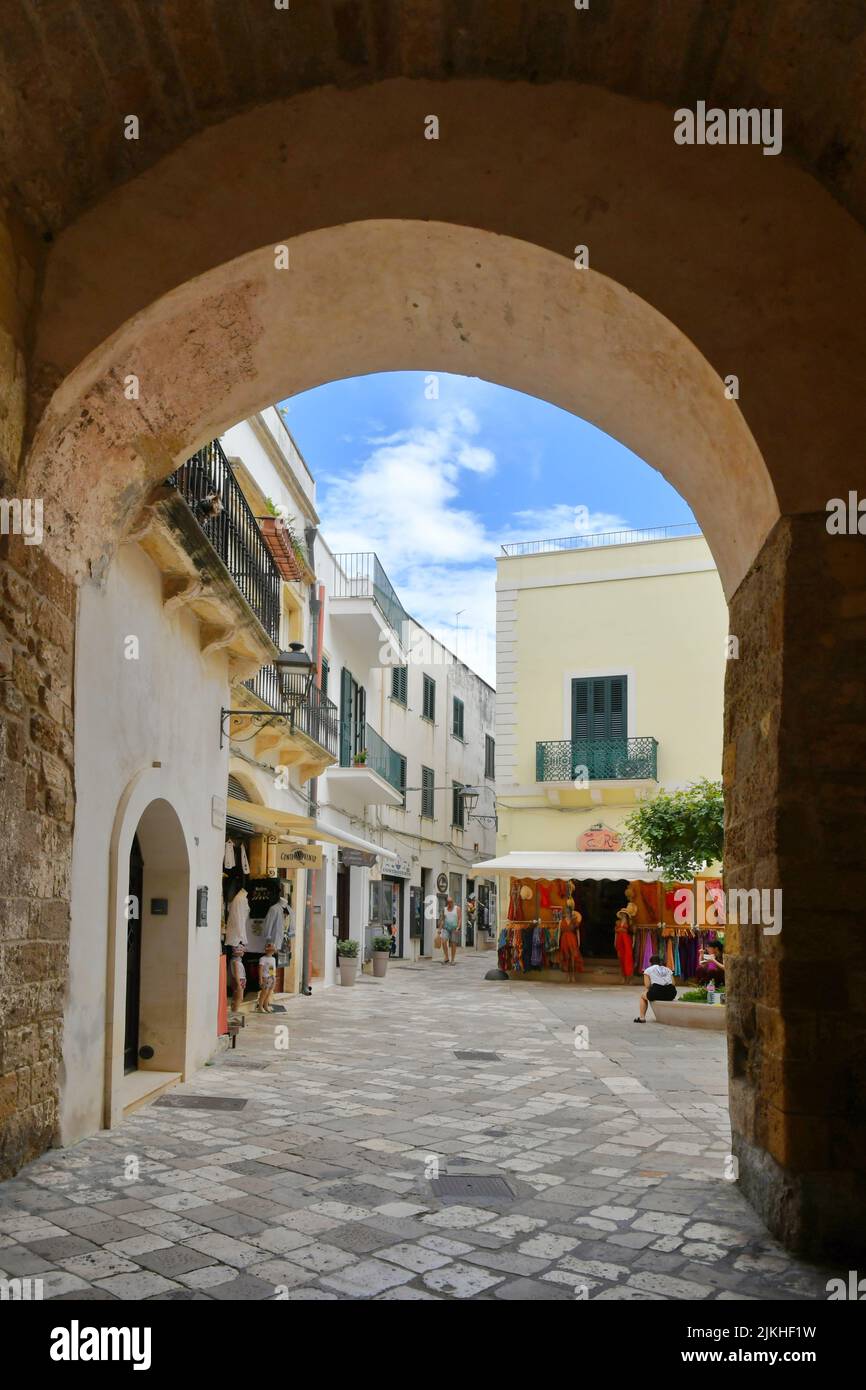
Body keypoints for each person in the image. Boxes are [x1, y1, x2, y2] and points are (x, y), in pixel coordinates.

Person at [636, 953, 676, 1022]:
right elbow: (673, 983)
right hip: (671, 993)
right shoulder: (668, 969)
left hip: (657, 992)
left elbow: (647, 985)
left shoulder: (648, 970)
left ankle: (642, 1018)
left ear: (650, 962)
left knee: (643, 996)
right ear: (660, 962)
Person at [614, 907, 635, 982]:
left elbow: (632, 933)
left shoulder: (630, 923)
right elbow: (616, 934)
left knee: (628, 957)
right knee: (621, 957)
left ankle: (629, 976)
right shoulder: (618, 922)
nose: (623, 915)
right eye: (622, 914)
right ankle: (623, 976)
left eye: (624, 914)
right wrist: (615, 942)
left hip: (627, 940)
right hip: (620, 940)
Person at [440, 895, 461, 964]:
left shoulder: (457, 908)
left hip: (454, 928)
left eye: (451, 902)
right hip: (446, 928)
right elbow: (442, 919)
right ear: (447, 903)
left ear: (453, 902)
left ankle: (452, 959)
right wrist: (439, 929)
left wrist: (458, 927)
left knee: (453, 944)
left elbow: (460, 918)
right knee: (443, 941)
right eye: (448, 902)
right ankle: (446, 957)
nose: (450, 903)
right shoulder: (444, 909)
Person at [257, 940, 277, 1012]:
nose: (273, 951)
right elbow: (260, 969)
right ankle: (260, 1006)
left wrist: (273, 976)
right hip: (265, 977)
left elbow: (271, 968)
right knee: (264, 992)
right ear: (267, 950)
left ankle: (266, 1006)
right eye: (272, 949)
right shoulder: (263, 959)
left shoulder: (273, 959)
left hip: (272, 977)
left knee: (269, 992)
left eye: (273, 950)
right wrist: (260, 979)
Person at [230, 945, 246, 1014]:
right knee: (239, 998)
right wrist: (239, 984)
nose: (243, 952)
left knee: (236, 998)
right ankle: (234, 1013)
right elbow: (236, 973)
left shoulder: (237, 960)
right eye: (242, 951)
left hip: (240, 980)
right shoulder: (235, 961)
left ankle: (233, 1012)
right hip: (238, 980)